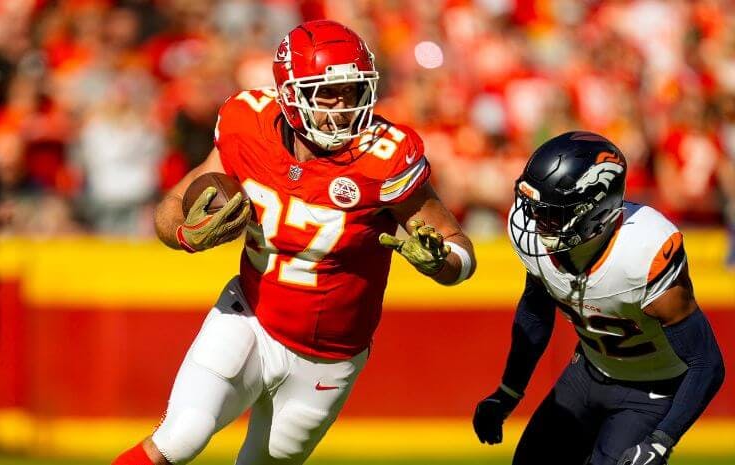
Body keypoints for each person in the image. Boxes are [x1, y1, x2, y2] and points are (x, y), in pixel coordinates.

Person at [113, 20, 476, 465]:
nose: (343, 107)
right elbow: (171, 207)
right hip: (249, 316)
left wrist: (440, 262)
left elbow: (459, 249)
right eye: (328, 93)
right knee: (180, 436)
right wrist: (187, 234)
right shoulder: (247, 124)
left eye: (353, 91)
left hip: (329, 358)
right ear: (290, 94)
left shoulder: (385, 157)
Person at [472, 131, 725, 465]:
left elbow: (707, 363)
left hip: (650, 393)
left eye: (553, 214)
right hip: (586, 374)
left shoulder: (642, 252)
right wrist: (509, 391)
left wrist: (662, 440)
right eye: (534, 209)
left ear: (595, 211)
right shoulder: (537, 237)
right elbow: (535, 311)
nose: (535, 223)